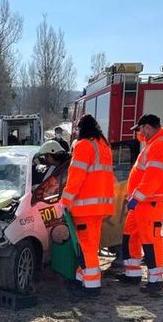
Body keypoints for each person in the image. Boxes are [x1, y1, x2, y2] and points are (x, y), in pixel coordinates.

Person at [117, 113, 163, 294]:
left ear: (148, 127)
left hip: (151, 202)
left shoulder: (161, 145)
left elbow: (153, 178)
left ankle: (155, 280)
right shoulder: (154, 144)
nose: (139, 134)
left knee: (150, 239)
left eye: (140, 129)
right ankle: (132, 273)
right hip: (145, 202)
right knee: (130, 235)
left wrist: (136, 197)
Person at [60, 114, 115, 297]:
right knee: (91, 244)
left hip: (85, 207)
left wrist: (65, 201)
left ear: (81, 129)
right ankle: (82, 278)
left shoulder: (84, 146)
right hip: (100, 206)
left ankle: (91, 286)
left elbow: (76, 177)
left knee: (86, 247)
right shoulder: (103, 146)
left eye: (76, 129)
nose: (75, 132)